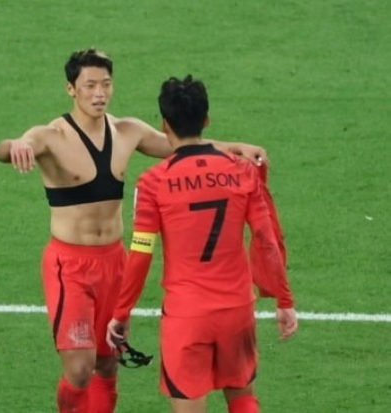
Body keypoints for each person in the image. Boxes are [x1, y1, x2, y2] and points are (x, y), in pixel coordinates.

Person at [0, 49, 269, 413]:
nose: (99, 93)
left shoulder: (128, 131)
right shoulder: (51, 135)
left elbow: (184, 146)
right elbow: (11, 147)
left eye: (105, 84)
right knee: (79, 369)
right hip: (69, 265)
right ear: (70, 89)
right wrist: (13, 146)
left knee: (108, 362)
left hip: (114, 263)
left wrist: (236, 147)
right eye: (89, 85)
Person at [106, 75, 297, 413]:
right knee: (243, 400)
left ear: (164, 124)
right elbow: (267, 241)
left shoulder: (153, 182)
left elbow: (140, 255)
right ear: (206, 120)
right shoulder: (242, 173)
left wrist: (121, 313)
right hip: (236, 310)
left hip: (187, 315)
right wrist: (284, 299)